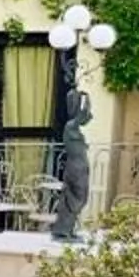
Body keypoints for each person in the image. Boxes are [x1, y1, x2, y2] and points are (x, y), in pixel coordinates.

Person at [52, 99, 93, 242]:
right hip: (76, 168)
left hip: (79, 167)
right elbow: (82, 116)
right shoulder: (70, 126)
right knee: (75, 198)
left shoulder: (74, 129)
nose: (89, 118)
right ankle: (62, 230)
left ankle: (66, 229)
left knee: (76, 198)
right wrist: (85, 103)